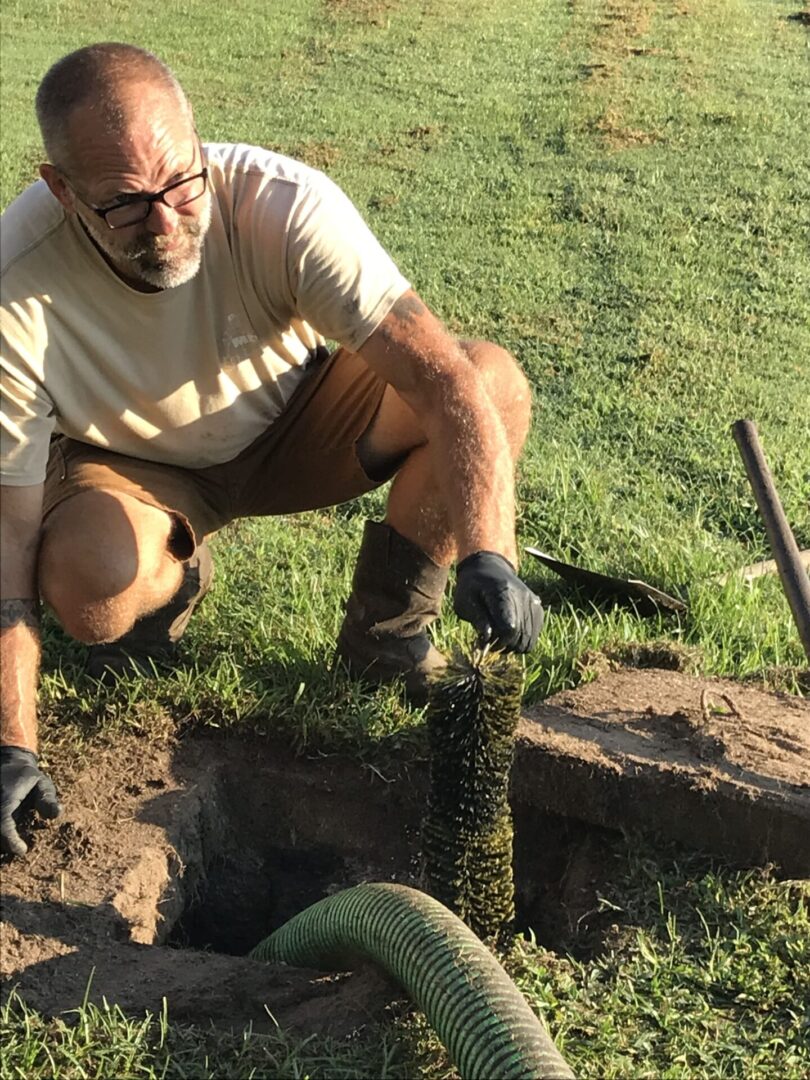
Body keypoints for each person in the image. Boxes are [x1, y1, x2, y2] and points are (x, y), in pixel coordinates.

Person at [0, 43, 543, 857]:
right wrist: (12, 744)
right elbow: (6, 539)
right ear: (62, 189)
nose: (166, 221)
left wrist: (490, 557)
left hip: (297, 420)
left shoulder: (283, 205)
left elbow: (446, 384)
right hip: (131, 462)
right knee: (88, 594)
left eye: (181, 182)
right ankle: (168, 577)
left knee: (491, 381)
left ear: (197, 139)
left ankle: (388, 638)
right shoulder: (15, 282)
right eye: (123, 204)